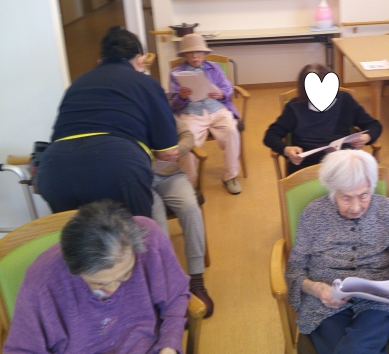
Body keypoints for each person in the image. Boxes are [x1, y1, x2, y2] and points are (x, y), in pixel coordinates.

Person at [285, 150, 389, 354]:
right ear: (333, 191)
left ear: (372, 187)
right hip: (326, 303)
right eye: (346, 198)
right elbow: (294, 269)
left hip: (378, 302)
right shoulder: (313, 214)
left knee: (354, 348)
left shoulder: (387, 210)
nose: (355, 207)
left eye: (364, 195)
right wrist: (315, 289)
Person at [4, 201, 190, 354]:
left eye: (125, 274)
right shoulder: (41, 282)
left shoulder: (151, 237)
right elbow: (21, 350)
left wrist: (169, 345)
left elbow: (175, 296)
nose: (113, 290)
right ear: (75, 270)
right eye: (99, 283)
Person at [38, 26, 178, 218]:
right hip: (118, 164)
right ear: (140, 60)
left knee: (78, 235)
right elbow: (167, 151)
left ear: (101, 59)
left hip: (55, 166)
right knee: (132, 233)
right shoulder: (145, 83)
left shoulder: (78, 83)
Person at [263, 63, 382, 175]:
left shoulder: (345, 100)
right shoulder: (295, 107)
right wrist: (286, 150)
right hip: (306, 165)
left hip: (342, 163)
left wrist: (366, 137)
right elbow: (270, 135)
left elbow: (374, 125)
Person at [151, 117, 214, 317]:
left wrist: (177, 150)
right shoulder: (121, 114)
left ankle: (196, 280)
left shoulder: (159, 109)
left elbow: (186, 134)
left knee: (191, 209)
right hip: (139, 178)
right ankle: (168, 285)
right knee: (157, 221)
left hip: (168, 173)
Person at [169, 34, 242, 195]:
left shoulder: (214, 68)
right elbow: (173, 102)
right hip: (191, 113)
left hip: (217, 109)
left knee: (231, 131)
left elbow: (228, 87)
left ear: (204, 53)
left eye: (198, 52)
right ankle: (189, 182)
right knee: (187, 142)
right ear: (184, 55)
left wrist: (221, 93)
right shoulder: (176, 73)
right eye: (190, 52)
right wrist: (181, 96)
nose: (195, 56)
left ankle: (230, 176)